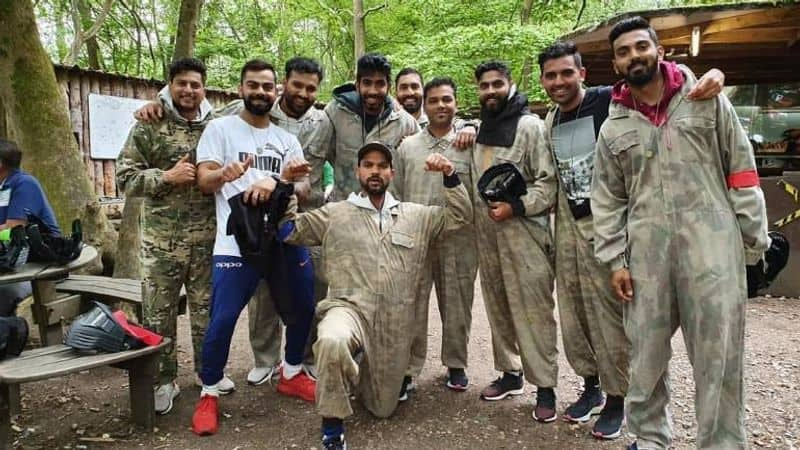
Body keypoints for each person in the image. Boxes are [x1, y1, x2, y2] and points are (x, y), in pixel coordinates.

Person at [591, 17, 770, 450]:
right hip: (647, 257)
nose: (634, 56)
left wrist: (754, 241)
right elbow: (607, 200)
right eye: (623, 52)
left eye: (640, 46)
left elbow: (742, 170)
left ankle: (723, 443)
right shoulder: (613, 128)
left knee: (719, 358)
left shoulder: (706, 101)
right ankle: (650, 439)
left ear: (659, 50)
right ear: (616, 64)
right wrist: (615, 260)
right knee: (645, 356)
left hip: (713, 250)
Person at [536, 42, 725, 439]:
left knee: (612, 320)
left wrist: (712, 76)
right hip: (569, 226)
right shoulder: (552, 118)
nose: (558, 82)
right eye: (550, 75)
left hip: (611, 228)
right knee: (575, 316)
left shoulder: (610, 103)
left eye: (566, 73)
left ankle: (619, 398)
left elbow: (664, 85)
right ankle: (590, 388)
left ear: (582, 74)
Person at [281, 141, 472, 450]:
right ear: (358, 171)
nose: (374, 171)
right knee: (331, 339)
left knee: (382, 409)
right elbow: (288, 230)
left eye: (382, 166)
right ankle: (332, 423)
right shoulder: (336, 214)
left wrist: (450, 174)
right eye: (368, 164)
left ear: (392, 173)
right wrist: (285, 184)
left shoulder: (417, 216)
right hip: (349, 309)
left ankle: (355, 366)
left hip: (393, 321)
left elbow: (460, 217)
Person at [190, 59, 317, 436]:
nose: (260, 92)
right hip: (236, 241)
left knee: (304, 306)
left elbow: (305, 189)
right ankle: (209, 391)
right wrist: (225, 174)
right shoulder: (221, 129)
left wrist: (283, 182)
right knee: (224, 318)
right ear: (240, 88)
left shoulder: (286, 139)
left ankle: (291, 371)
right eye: (253, 85)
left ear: (275, 92)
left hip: (282, 235)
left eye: (267, 87)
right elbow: (204, 180)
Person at [116, 58, 233, 415]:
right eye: (182, 83)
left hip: (206, 239)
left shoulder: (216, 126)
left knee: (206, 311)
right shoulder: (149, 125)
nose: (189, 91)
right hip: (161, 243)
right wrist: (165, 177)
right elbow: (125, 178)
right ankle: (162, 381)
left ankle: (206, 372)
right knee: (158, 313)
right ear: (170, 85)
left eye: (195, 84)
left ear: (204, 88)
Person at [469, 60, 560, 423]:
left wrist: (517, 206)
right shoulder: (478, 129)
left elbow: (547, 182)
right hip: (488, 234)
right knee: (497, 304)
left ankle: (546, 387)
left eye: (496, 84)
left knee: (533, 311)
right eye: (484, 85)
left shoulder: (530, 126)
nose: (490, 91)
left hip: (524, 232)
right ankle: (510, 373)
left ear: (509, 84)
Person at [393, 77, 478, 392]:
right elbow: (396, 194)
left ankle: (456, 364)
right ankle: (409, 368)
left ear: (456, 103)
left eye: (447, 99)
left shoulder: (469, 145)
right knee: (412, 306)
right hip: (416, 240)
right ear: (425, 106)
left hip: (459, 239)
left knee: (458, 304)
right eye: (434, 100)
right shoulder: (408, 148)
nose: (441, 105)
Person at [310, 53, 419, 203]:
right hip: (345, 208)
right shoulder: (336, 113)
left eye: (380, 83)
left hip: (387, 213)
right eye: (367, 83)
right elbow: (319, 152)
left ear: (389, 87)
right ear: (357, 85)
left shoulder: (403, 122)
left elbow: (421, 156)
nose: (373, 91)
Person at [0, 139, 61, 315]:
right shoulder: (3, 186)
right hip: (16, 258)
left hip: (40, 262)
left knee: (4, 294)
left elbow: (13, 229)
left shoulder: (24, 184)